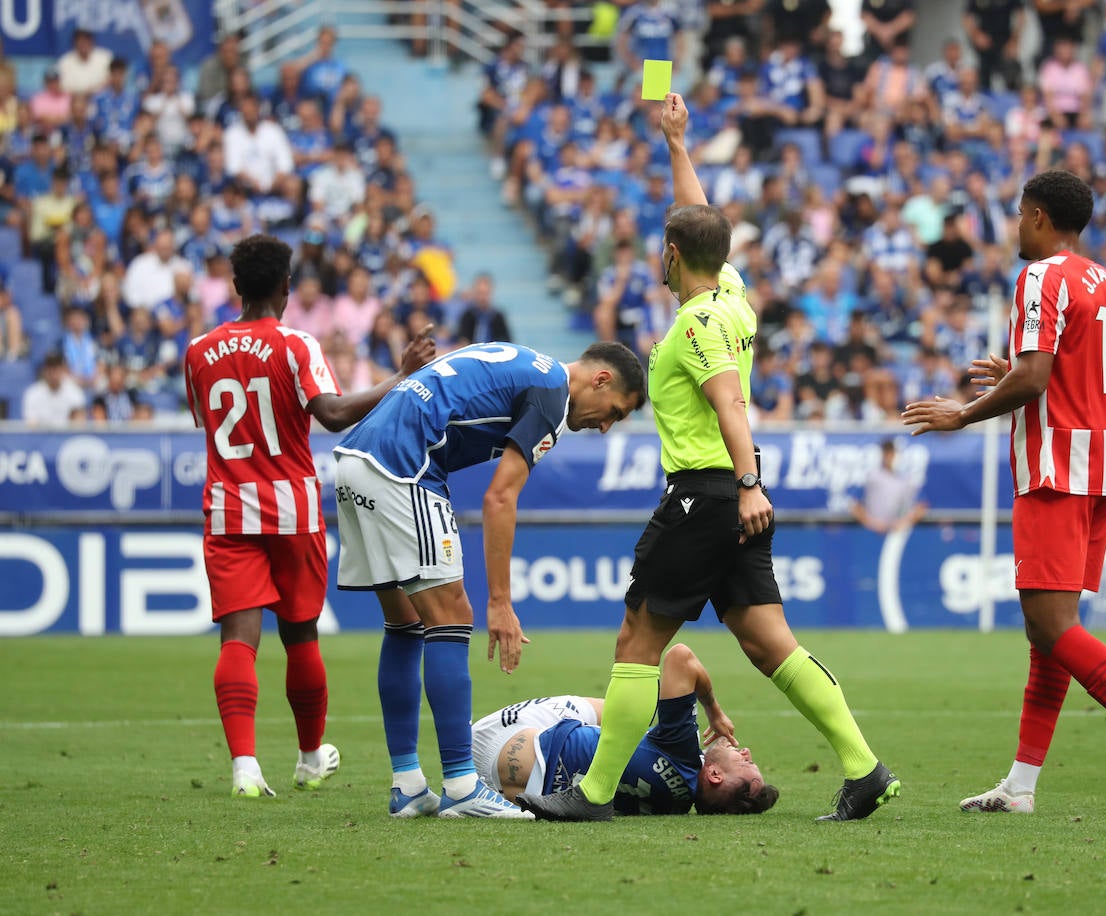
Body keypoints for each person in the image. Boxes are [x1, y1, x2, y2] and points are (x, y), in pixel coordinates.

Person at [517, 93, 899, 823]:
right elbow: (702, 227)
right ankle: (863, 768)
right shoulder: (732, 295)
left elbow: (729, 403)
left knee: (639, 638)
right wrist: (677, 147)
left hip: (705, 495)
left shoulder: (695, 323)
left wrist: (750, 483)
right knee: (768, 644)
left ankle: (592, 795)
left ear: (668, 258)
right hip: (731, 499)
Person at [902, 169, 1106, 817]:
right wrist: (1019, 372)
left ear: (1037, 216)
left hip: (1054, 468)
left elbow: (1036, 380)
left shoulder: (1041, 277)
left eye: (1017, 213)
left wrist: (966, 410)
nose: (1014, 225)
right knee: (1048, 634)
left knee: (1049, 625)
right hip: (1097, 473)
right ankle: (1022, 784)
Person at [331, 339, 646, 819]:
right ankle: (461, 786)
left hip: (357, 459)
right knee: (452, 617)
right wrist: (501, 601)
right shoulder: (552, 396)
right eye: (614, 413)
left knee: (405, 624)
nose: (604, 427)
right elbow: (500, 497)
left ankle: (409, 785)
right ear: (600, 380)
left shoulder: (527, 363)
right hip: (404, 465)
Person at [182, 234, 435, 799]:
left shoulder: (198, 350)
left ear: (235, 285)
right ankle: (309, 757)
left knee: (237, 642)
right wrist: (402, 378)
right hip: (291, 511)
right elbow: (334, 414)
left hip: (228, 509)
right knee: (301, 639)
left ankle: (245, 766)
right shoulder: (297, 345)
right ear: (287, 287)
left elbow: (207, 421)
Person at [471, 643, 779, 815]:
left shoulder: (684, 753)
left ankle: (458, 773)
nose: (746, 751)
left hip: (508, 745)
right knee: (629, 725)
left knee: (633, 708)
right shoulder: (676, 807)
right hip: (517, 793)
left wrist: (712, 707)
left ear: (714, 775)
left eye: (746, 762)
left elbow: (680, 657)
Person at [851, 439, 926, 534]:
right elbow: (854, 505)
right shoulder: (872, 477)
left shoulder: (907, 479)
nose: (889, 457)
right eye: (886, 453)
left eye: (892, 453)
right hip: (872, 534)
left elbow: (921, 506)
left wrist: (904, 522)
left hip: (900, 535)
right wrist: (872, 524)